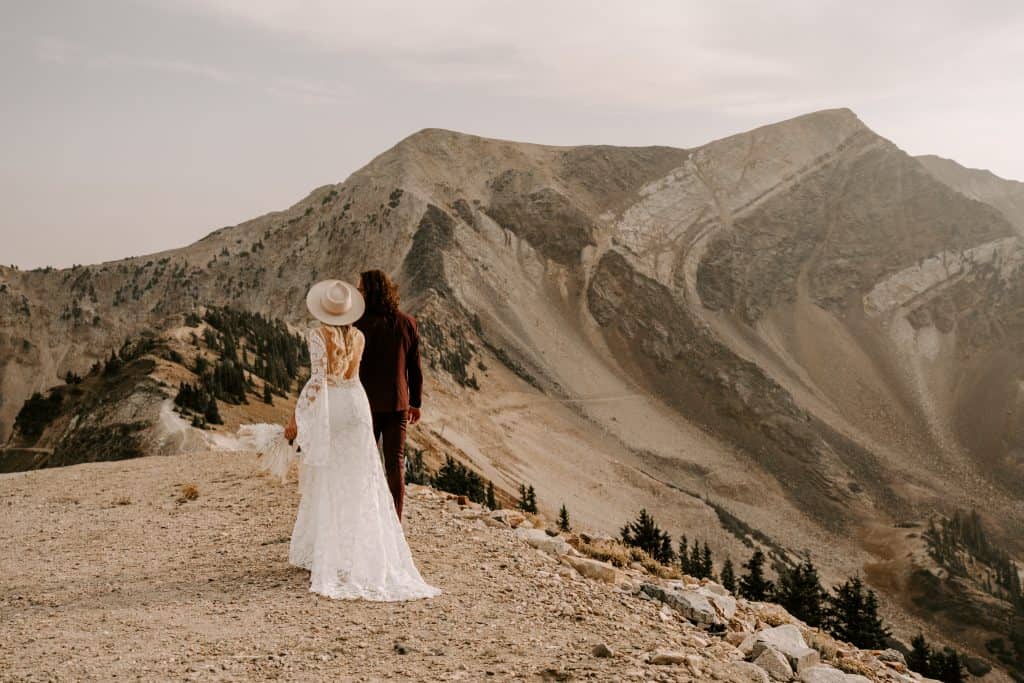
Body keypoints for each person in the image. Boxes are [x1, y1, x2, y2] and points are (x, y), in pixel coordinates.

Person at [282, 278, 439, 601]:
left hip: (338, 408)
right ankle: (378, 536)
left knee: (332, 474)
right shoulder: (366, 335)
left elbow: (317, 381)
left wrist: (297, 416)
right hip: (362, 405)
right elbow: (412, 368)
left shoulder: (321, 335)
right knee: (369, 473)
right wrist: (415, 401)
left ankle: (333, 548)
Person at [353, 269, 423, 520]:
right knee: (395, 464)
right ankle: (395, 519)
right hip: (397, 403)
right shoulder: (408, 322)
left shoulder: (356, 324)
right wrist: (415, 402)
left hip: (364, 404)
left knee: (365, 461)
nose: (358, 292)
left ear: (368, 292)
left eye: (360, 288)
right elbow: (414, 368)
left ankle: (366, 518)